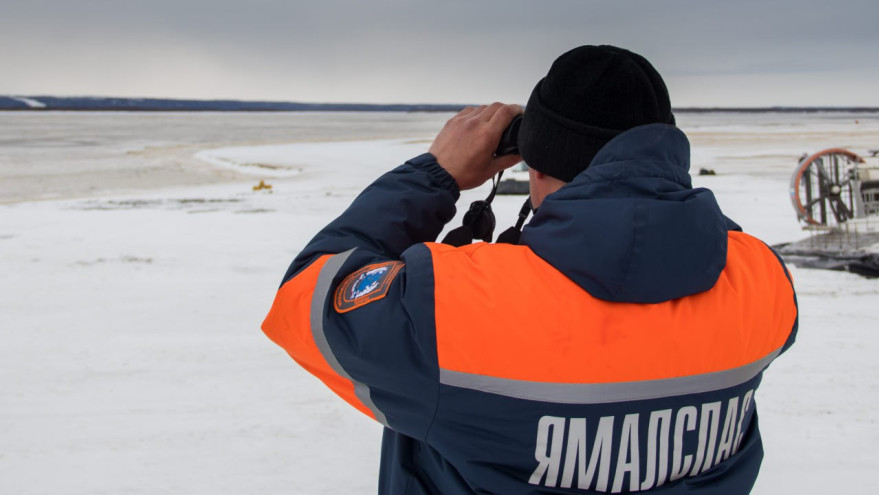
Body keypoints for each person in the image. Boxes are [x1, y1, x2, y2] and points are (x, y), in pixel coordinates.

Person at [262, 45, 798, 494]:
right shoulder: (762, 279)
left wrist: (434, 174)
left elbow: (306, 294)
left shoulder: (449, 308)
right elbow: (670, 238)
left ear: (534, 166)